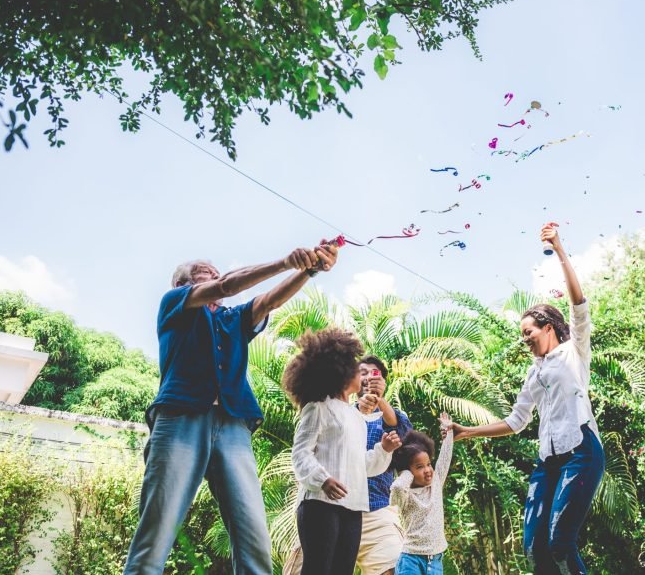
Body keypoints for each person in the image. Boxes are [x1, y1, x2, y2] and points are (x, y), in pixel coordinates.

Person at [124, 241, 339, 575]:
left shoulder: (231, 319)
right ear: (184, 285)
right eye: (203, 275)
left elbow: (268, 300)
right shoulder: (174, 304)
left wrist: (308, 270)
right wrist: (286, 262)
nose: (214, 278)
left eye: (214, 273)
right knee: (157, 529)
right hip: (180, 419)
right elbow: (227, 285)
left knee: (253, 535)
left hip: (233, 426)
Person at [445, 225, 604, 575]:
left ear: (547, 327)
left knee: (561, 543)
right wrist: (466, 431)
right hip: (547, 461)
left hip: (581, 451)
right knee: (535, 549)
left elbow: (579, 305)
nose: (525, 339)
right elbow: (516, 422)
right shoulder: (533, 373)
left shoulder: (574, 352)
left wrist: (560, 249)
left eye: (528, 332)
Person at [286, 328, 403, 575]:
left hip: (353, 507)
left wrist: (383, 450)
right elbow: (300, 454)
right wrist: (322, 480)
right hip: (319, 504)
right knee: (318, 569)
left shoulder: (357, 417)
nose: (360, 374)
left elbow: (361, 464)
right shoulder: (318, 408)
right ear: (337, 372)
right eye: (354, 368)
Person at [390, 414, 456, 575]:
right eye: (419, 467)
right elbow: (397, 487)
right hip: (411, 560)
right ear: (407, 471)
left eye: (428, 464)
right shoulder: (405, 495)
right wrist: (406, 472)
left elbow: (445, 457)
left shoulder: (436, 483)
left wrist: (448, 431)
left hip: (435, 560)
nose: (427, 470)